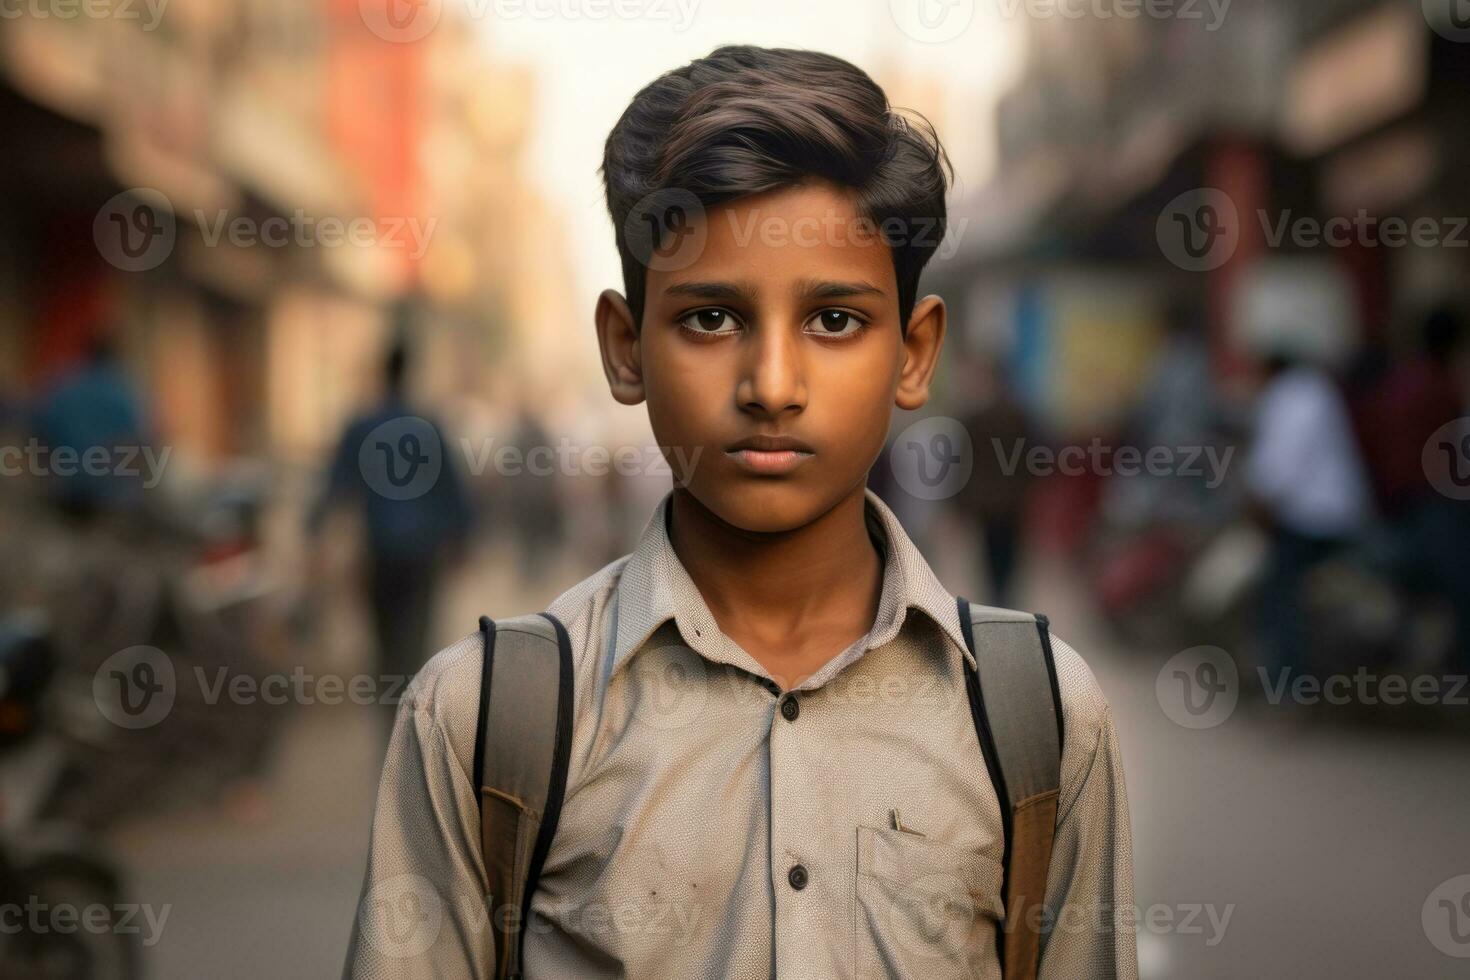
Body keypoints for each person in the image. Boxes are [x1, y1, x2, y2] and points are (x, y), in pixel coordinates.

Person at [344, 47, 1135, 979]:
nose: (771, 386)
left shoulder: (1037, 715)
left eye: (834, 320)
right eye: (711, 320)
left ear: (914, 354)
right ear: (626, 347)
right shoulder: (486, 720)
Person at [309, 329, 472, 732]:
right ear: (409, 373)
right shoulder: (428, 427)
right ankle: (413, 724)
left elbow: (334, 486)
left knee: (383, 642)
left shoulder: (361, 426)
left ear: (383, 372)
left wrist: (313, 533)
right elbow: (453, 491)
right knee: (416, 638)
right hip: (422, 553)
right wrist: (462, 540)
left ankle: (391, 724)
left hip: (379, 554)